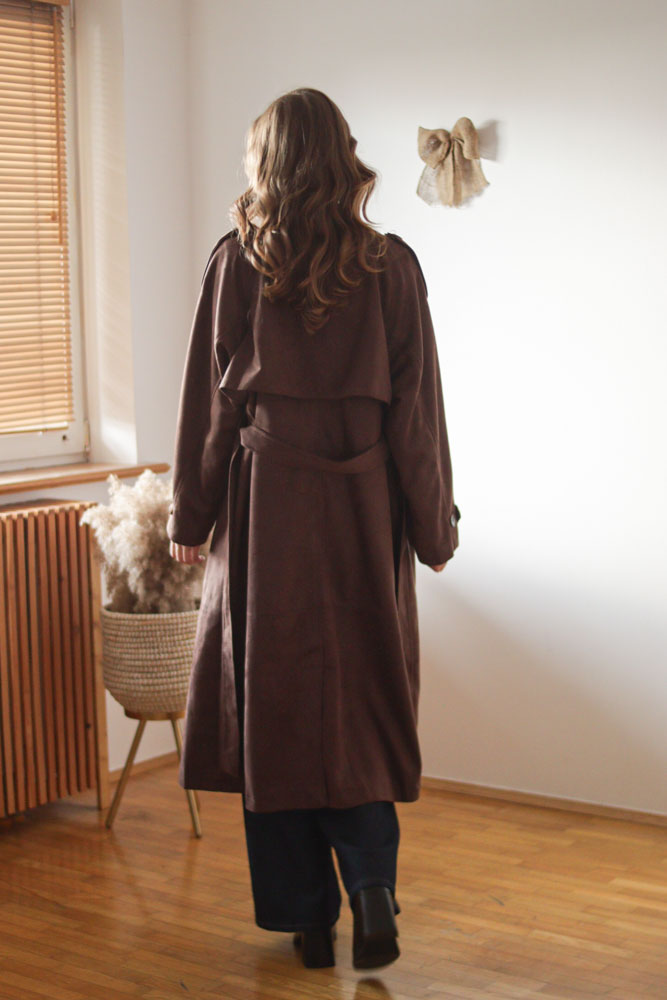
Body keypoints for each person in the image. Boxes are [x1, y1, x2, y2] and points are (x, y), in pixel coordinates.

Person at [167, 87, 461, 970]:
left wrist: (191, 513)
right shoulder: (391, 266)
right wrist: (433, 530)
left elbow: (210, 406)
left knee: (276, 712)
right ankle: (370, 886)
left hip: (267, 518)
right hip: (364, 514)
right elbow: (417, 413)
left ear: (266, 162)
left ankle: (307, 921)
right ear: (342, 157)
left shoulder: (236, 264)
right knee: (361, 704)